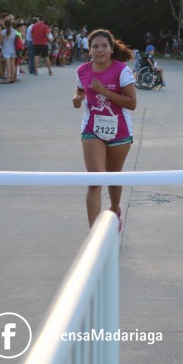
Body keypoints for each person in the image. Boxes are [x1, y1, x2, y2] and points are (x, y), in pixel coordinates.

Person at [72, 29, 137, 230]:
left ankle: (115, 210)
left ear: (111, 49)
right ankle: (94, 234)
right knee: (95, 180)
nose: (100, 50)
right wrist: (78, 97)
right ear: (89, 50)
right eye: (95, 46)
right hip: (92, 129)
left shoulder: (121, 70)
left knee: (113, 175)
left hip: (119, 131)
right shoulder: (82, 70)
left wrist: (104, 92)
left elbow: (132, 103)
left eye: (104, 46)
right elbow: (81, 88)